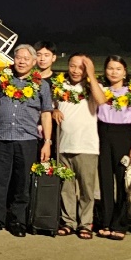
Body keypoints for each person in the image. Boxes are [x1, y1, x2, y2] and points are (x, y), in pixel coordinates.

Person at [0, 44, 54, 237]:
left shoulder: (41, 85)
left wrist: (47, 141)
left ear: (34, 62)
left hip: (27, 139)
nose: (21, 61)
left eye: (26, 58)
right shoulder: (3, 79)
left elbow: (46, 114)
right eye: (18, 57)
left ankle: (18, 220)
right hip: (2, 137)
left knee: (22, 181)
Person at [86, 55, 131, 240]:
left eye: (118, 68)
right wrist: (91, 74)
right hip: (103, 133)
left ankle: (120, 224)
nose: (114, 72)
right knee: (104, 181)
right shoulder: (101, 90)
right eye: (110, 68)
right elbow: (99, 103)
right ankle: (106, 222)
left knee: (122, 181)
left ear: (125, 72)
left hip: (123, 135)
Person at [52, 54, 99, 239]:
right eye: (73, 66)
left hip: (87, 146)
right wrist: (55, 109)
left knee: (87, 189)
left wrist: (92, 75)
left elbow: (101, 100)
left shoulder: (91, 87)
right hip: (64, 145)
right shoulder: (60, 86)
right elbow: (52, 105)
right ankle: (68, 221)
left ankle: (86, 224)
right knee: (66, 188)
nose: (76, 70)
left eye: (81, 67)